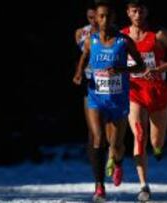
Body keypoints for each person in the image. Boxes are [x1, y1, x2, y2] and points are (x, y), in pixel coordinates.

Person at [73, 0, 145, 201]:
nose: (104, 20)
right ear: (95, 18)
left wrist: (121, 70)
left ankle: (118, 162)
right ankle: (99, 186)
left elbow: (140, 66)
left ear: (113, 18)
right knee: (98, 139)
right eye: (100, 16)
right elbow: (85, 57)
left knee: (117, 144)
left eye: (108, 16)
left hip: (118, 99)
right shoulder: (91, 40)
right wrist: (79, 73)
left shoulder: (124, 41)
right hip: (95, 96)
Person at [121, 0, 167, 200]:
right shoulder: (122, 36)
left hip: (157, 91)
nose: (138, 14)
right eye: (134, 11)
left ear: (146, 12)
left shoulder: (159, 34)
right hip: (134, 91)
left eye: (141, 10)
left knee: (156, 141)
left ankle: (157, 148)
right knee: (139, 135)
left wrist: (158, 69)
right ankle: (144, 185)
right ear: (128, 13)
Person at [73, 3, 98, 164]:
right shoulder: (80, 33)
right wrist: (79, 73)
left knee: (112, 128)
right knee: (93, 129)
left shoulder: (115, 32)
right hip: (90, 82)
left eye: (96, 16)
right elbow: (81, 57)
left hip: (111, 82)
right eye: (90, 17)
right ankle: (96, 169)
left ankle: (114, 157)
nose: (94, 20)